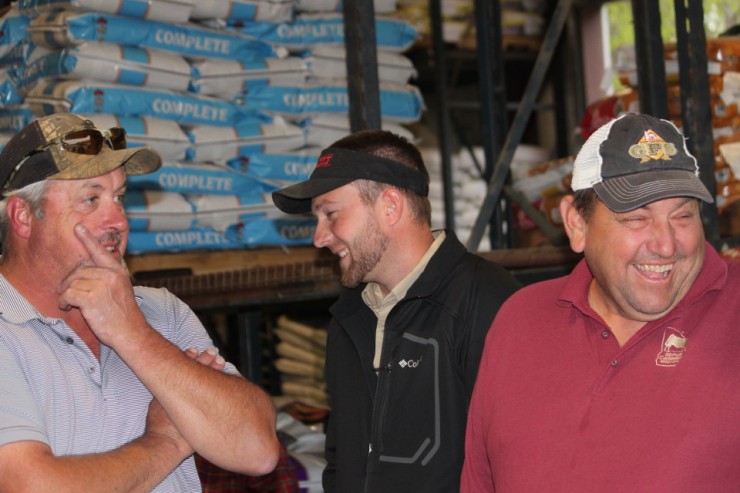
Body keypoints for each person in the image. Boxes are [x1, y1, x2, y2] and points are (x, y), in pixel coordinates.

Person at [0, 113, 280, 492]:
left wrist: (132, 332)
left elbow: (257, 450)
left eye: (119, 197)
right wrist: (166, 442)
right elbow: (30, 487)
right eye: (90, 199)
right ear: (23, 217)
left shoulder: (159, 311)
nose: (116, 219)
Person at [461, 112, 740, 492]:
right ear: (576, 224)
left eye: (683, 216)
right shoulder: (519, 321)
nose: (666, 244)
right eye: (637, 219)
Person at [271, 129, 521, 493]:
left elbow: (521, 459)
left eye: (331, 214)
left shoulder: (488, 301)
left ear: (390, 206)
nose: (319, 237)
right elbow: (342, 460)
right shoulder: (350, 318)